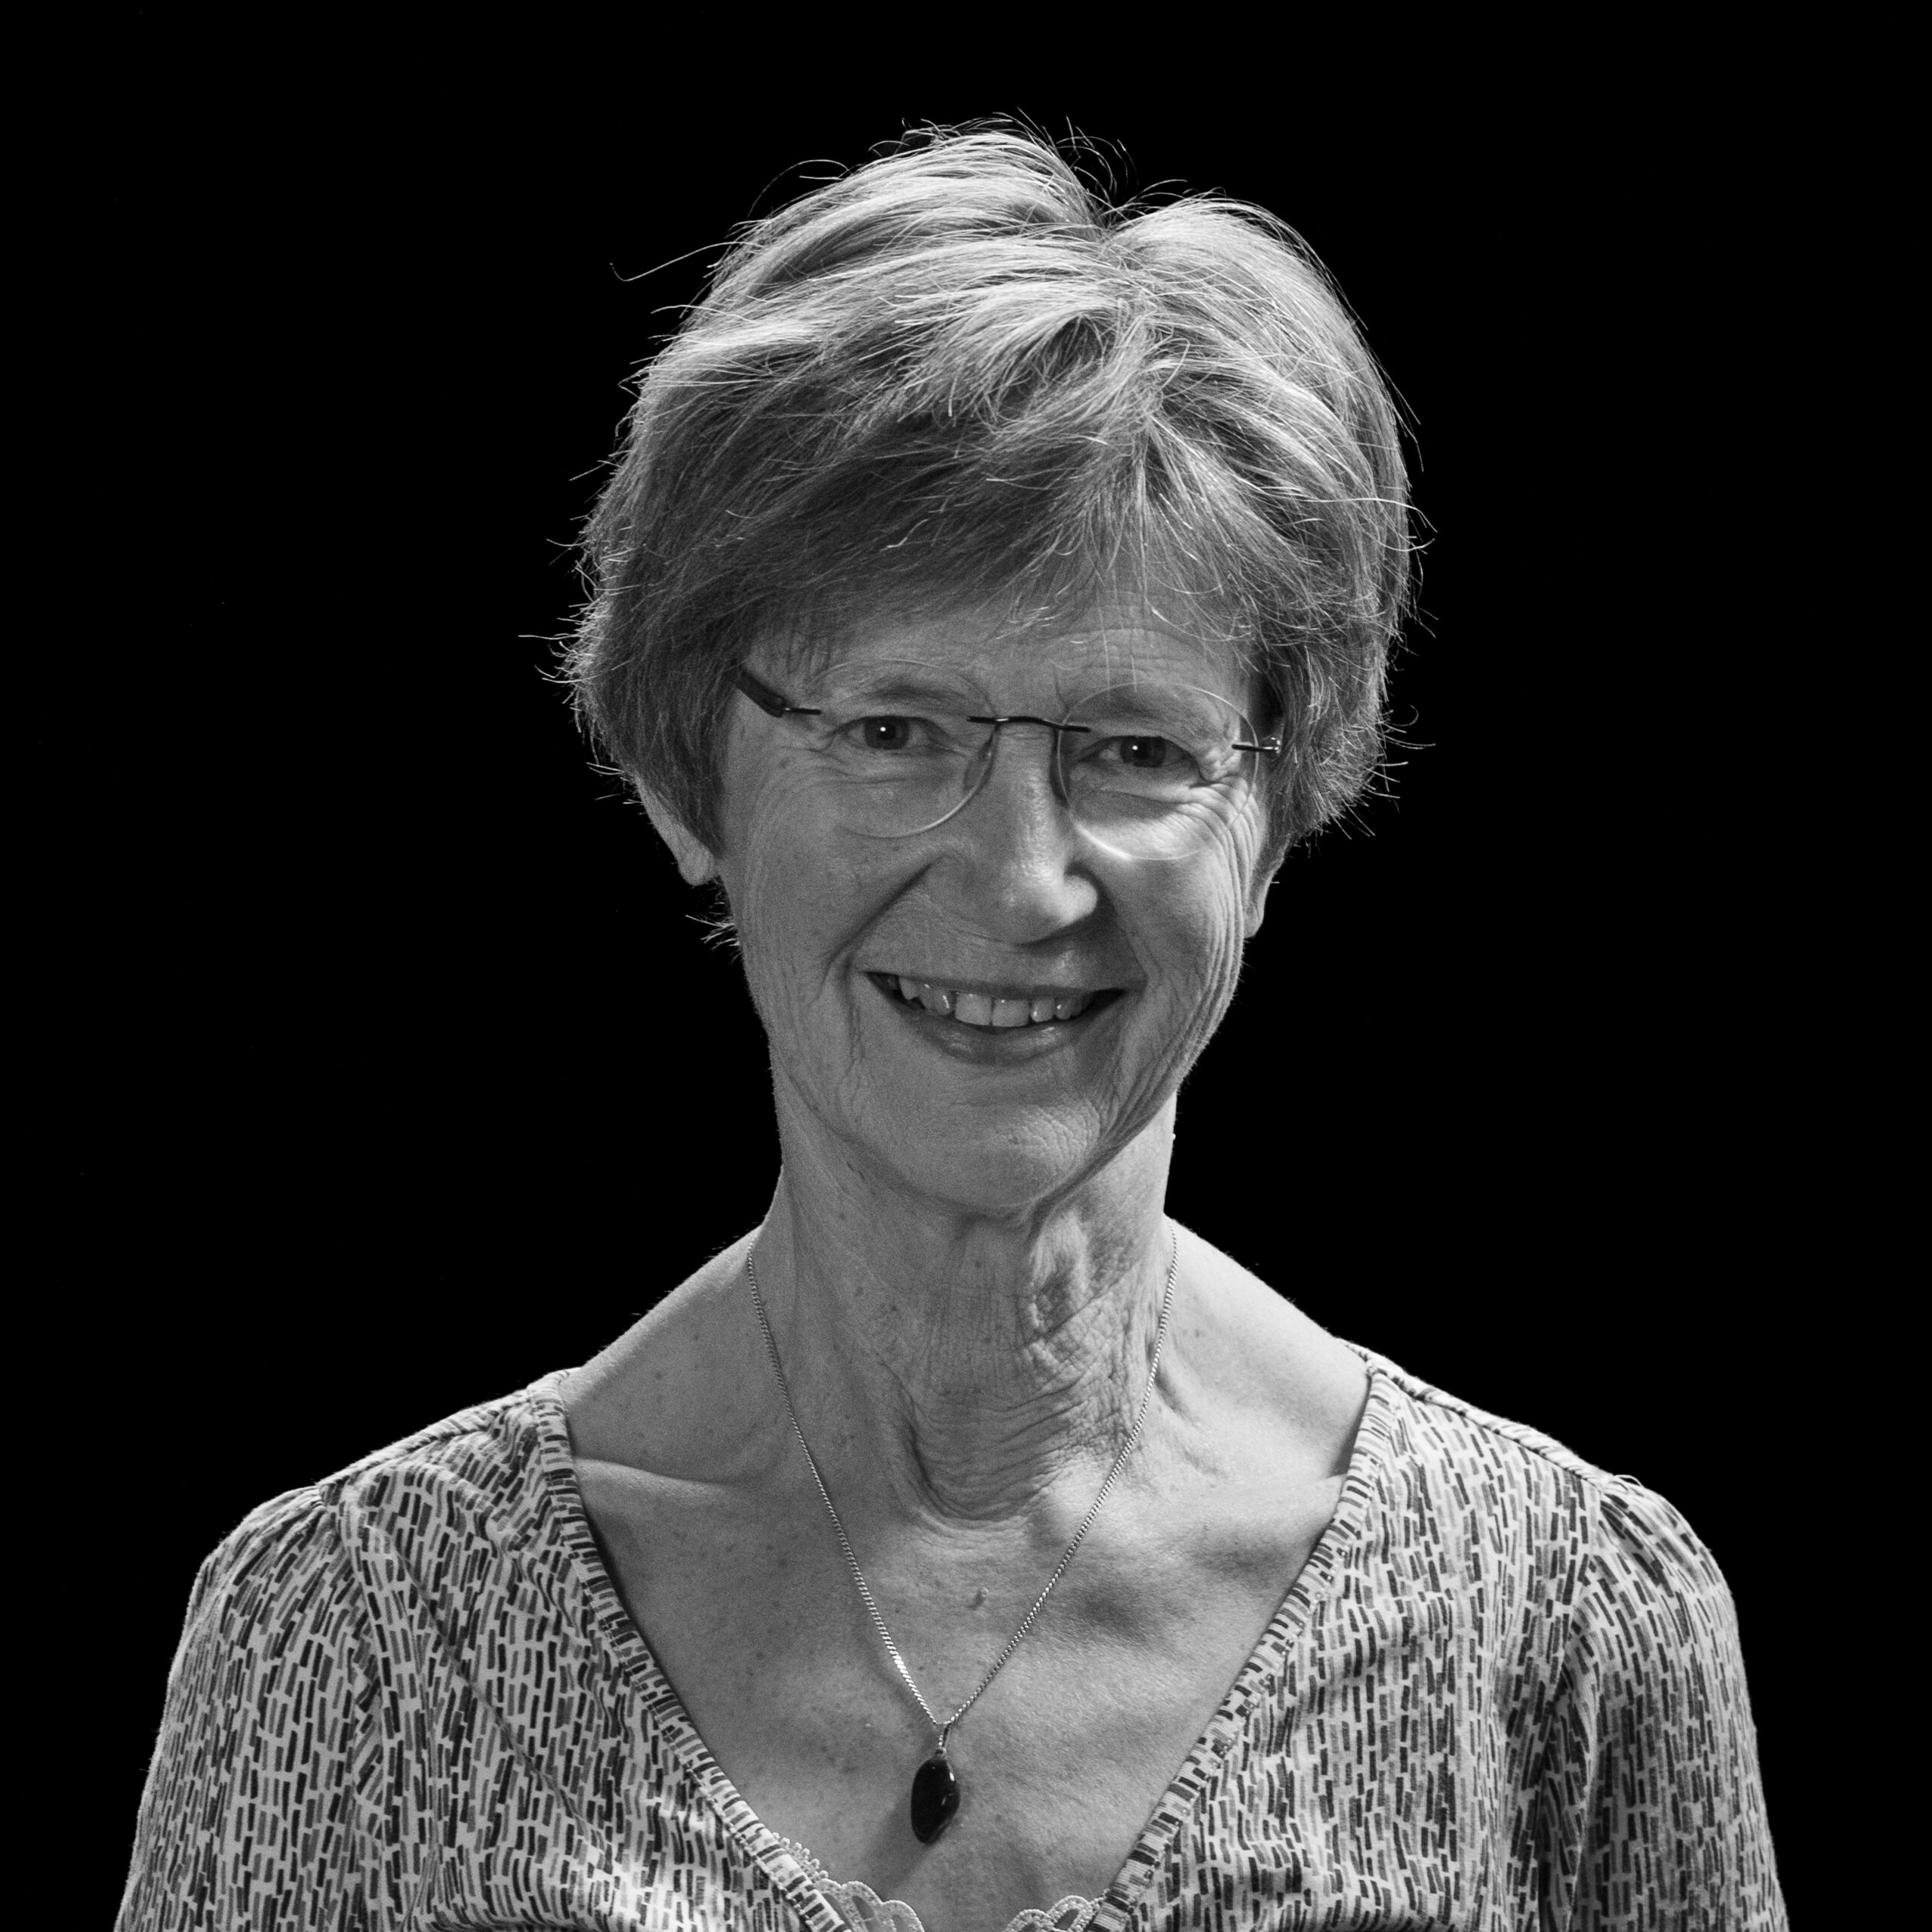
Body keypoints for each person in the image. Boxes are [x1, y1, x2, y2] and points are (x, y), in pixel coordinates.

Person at [119, 128, 1784, 1931]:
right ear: (686, 774)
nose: (1017, 881)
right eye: (892, 729)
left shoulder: (1561, 1626)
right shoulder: (358, 1637)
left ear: (1279, 806)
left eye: (1132, 748)